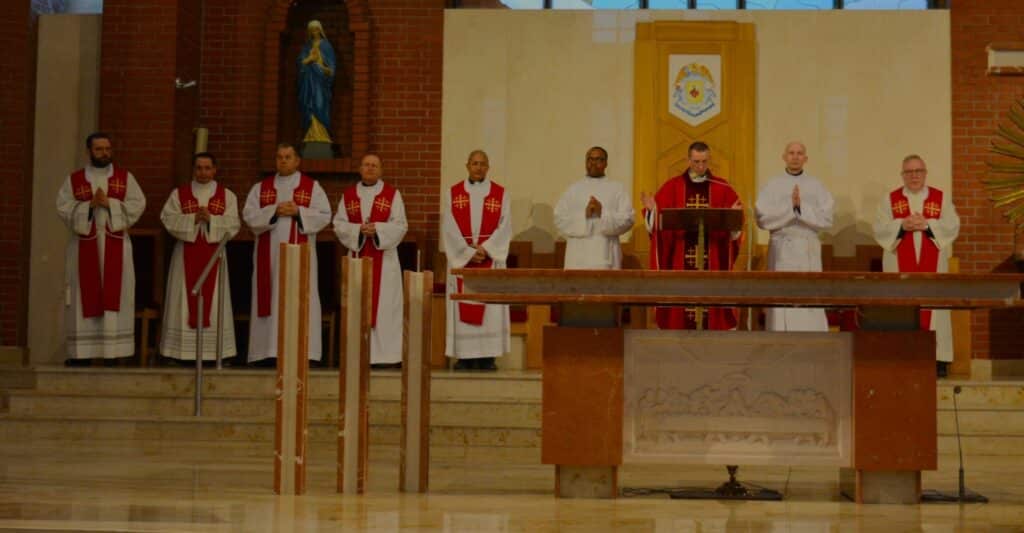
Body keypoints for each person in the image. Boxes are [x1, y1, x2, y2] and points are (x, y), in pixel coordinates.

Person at [57, 132, 146, 363]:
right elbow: (63, 207)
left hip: (116, 246)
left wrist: (110, 204)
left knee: (116, 296)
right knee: (81, 297)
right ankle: (81, 355)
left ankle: (113, 353)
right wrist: (89, 205)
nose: (104, 153)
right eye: (99, 149)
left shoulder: (125, 178)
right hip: (84, 247)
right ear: (89, 151)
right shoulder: (75, 180)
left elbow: (138, 205)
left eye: (107, 148)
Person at [242, 143, 331, 364]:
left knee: (301, 296)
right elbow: (249, 215)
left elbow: (324, 215)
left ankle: (303, 352)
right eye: (279, 157)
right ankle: (267, 352)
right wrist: (274, 211)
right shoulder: (260, 188)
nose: (283, 160)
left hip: (302, 256)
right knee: (269, 297)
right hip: (268, 257)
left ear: (297, 160)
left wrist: (299, 211)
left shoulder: (312, 187)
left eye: (288, 157)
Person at [873, 154, 960, 377]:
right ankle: (902, 355)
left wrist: (928, 224)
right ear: (902, 175)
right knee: (901, 306)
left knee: (936, 309)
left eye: (918, 171)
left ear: (925, 173)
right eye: (909, 172)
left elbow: (952, 226)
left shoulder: (940, 198)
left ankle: (938, 359)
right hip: (899, 264)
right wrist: (902, 225)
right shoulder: (889, 199)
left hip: (933, 265)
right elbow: (880, 228)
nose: (914, 176)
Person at [641, 141, 742, 330]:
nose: (701, 166)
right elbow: (657, 223)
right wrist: (653, 211)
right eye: (696, 162)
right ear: (688, 160)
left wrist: (734, 216)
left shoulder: (722, 187)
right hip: (680, 256)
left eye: (704, 161)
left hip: (712, 257)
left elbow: (736, 226)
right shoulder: (673, 186)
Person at [159, 152, 240, 362]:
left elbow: (234, 225)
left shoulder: (227, 195)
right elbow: (167, 218)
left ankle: (215, 353)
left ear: (215, 169)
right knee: (183, 301)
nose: (203, 173)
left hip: (215, 255)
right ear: (193, 170)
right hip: (186, 252)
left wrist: (211, 219)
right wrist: (193, 219)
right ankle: (179, 353)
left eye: (207, 168)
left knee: (215, 301)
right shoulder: (179, 194)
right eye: (199, 168)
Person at [333, 154, 408, 369]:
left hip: (384, 262)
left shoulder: (392, 195)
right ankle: (358, 355)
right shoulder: (349, 196)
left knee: (386, 308)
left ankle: (387, 357)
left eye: (375, 165)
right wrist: (358, 230)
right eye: (366, 165)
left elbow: (401, 225)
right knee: (358, 305)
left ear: (381, 170)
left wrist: (378, 230)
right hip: (357, 259)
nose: (370, 168)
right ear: (360, 169)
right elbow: (338, 224)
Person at [442, 150, 511, 371]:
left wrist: (486, 249)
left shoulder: (500, 194)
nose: (479, 167)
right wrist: (467, 252)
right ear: (467, 165)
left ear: (488, 167)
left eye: (483, 164)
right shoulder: (453, 193)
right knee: (463, 307)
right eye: (475, 163)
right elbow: (449, 227)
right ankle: (464, 357)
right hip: (463, 259)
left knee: (490, 308)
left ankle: (488, 357)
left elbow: (505, 226)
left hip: (490, 258)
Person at [755, 142, 834, 332]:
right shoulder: (772, 185)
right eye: (791, 153)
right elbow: (762, 218)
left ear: (806, 158)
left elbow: (827, 218)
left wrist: (800, 208)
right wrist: (791, 209)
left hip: (808, 248)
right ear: (784, 157)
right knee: (781, 296)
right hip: (782, 247)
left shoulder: (816, 185)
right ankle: (779, 336)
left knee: (808, 296)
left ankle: (812, 337)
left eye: (800, 153)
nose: (795, 157)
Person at [554, 146, 635, 269]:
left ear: (606, 163)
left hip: (607, 256)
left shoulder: (617, 188)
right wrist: (583, 216)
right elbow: (559, 218)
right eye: (590, 159)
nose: (593, 163)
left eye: (598, 159)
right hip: (577, 258)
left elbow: (628, 219)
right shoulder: (573, 189)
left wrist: (603, 213)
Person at [297, 19, 336, 143]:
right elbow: (300, 63)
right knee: (309, 105)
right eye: (312, 30)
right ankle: (311, 135)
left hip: (320, 83)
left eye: (317, 29)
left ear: (321, 30)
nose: (315, 32)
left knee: (319, 104)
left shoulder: (326, 46)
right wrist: (310, 59)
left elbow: (331, 69)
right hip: (308, 82)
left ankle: (322, 135)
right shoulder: (307, 46)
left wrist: (321, 68)